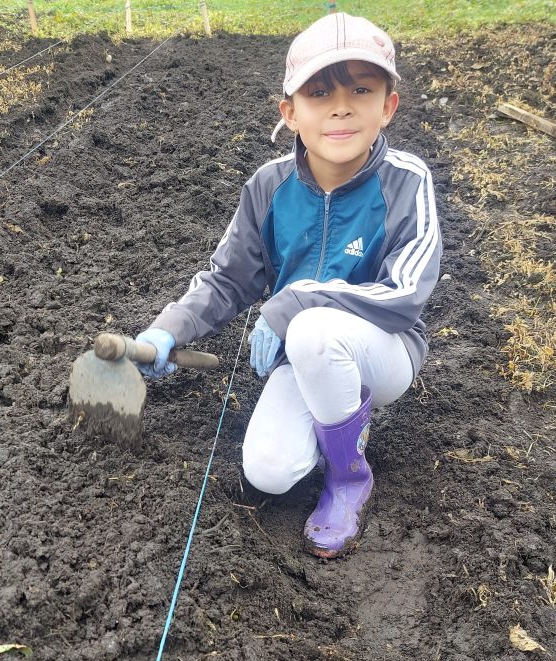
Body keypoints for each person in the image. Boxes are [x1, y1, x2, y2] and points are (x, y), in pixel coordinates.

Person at [134, 12, 442, 558]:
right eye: (319, 91)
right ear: (291, 113)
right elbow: (228, 278)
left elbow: (405, 294)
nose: (341, 106)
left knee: (312, 331)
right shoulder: (269, 186)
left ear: (388, 106)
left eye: (361, 89)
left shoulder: (406, 180)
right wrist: (166, 330)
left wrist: (293, 304)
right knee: (269, 471)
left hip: (384, 352)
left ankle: (349, 477)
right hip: (305, 356)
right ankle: (336, 419)